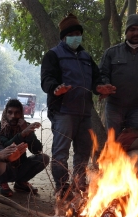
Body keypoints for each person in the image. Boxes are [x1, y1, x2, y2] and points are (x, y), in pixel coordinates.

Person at [40, 13, 116, 199]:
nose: (76, 37)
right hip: (63, 112)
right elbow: (47, 79)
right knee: (61, 152)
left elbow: (96, 79)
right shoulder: (53, 55)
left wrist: (101, 87)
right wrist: (56, 88)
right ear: (64, 36)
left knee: (83, 150)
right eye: (71, 33)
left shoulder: (85, 57)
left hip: (84, 112)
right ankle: (62, 187)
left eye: (78, 33)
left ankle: (79, 182)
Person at [0, 99, 50, 197]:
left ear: (21, 114)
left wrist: (28, 133)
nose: (13, 116)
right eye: (10, 112)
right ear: (5, 113)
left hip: (20, 167)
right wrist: (22, 134)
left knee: (44, 158)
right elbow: (5, 145)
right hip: (3, 169)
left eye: (17, 113)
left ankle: (20, 182)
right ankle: (2, 183)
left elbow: (36, 150)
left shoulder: (25, 127)